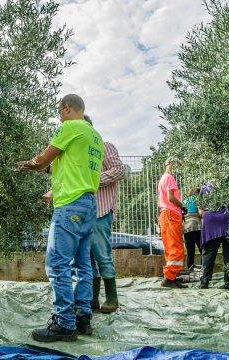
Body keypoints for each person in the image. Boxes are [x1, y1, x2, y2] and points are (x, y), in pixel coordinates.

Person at [14, 94, 104, 342]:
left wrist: (23, 165)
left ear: (67, 108)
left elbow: (43, 160)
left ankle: (64, 323)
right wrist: (45, 170)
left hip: (70, 205)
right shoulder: (95, 137)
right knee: (83, 264)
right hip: (89, 205)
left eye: (59, 111)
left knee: (57, 264)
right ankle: (82, 316)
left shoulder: (69, 126)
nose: (59, 116)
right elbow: (60, 166)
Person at [83, 116, 125, 314]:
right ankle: (91, 300)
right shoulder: (78, 154)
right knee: (85, 259)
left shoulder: (105, 147)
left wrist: (91, 180)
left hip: (100, 212)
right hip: (82, 214)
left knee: (102, 256)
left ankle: (111, 298)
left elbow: (119, 170)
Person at [197, 181, 229, 290]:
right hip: (228, 221)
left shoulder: (205, 186)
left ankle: (205, 281)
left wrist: (208, 216)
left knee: (208, 253)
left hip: (210, 222)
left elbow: (200, 210)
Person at [157, 157, 188, 288]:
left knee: (170, 247)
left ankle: (171, 277)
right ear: (171, 164)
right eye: (177, 165)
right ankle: (169, 278)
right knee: (176, 247)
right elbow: (171, 198)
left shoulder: (163, 178)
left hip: (165, 214)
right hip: (171, 214)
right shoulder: (169, 178)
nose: (177, 169)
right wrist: (182, 206)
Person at [182, 188, 202, 270]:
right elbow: (201, 214)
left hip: (186, 227)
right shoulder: (198, 200)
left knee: (190, 251)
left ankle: (190, 270)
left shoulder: (184, 201)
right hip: (196, 225)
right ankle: (203, 269)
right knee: (202, 249)